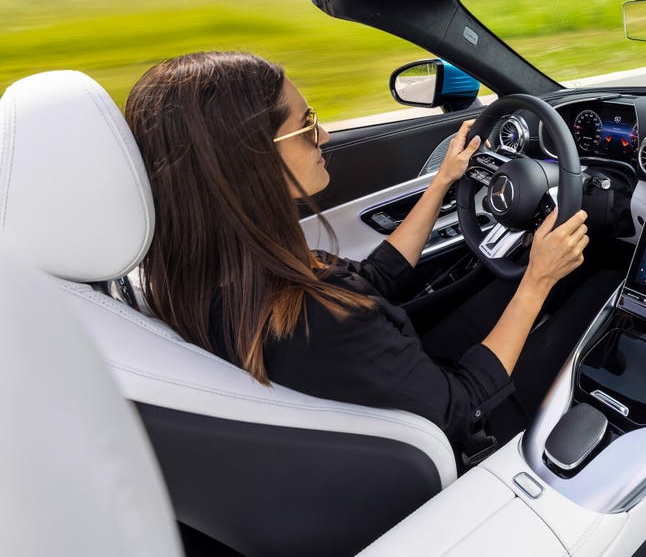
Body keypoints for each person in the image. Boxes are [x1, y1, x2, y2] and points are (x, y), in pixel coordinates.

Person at [124, 51, 593, 456]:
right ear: (253, 162)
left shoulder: (217, 276)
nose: (323, 136)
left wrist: (444, 181)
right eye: (306, 125)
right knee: (595, 291)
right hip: (473, 434)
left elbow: (372, 278)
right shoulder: (312, 320)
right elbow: (463, 406)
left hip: (408, 389)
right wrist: (538, 281)